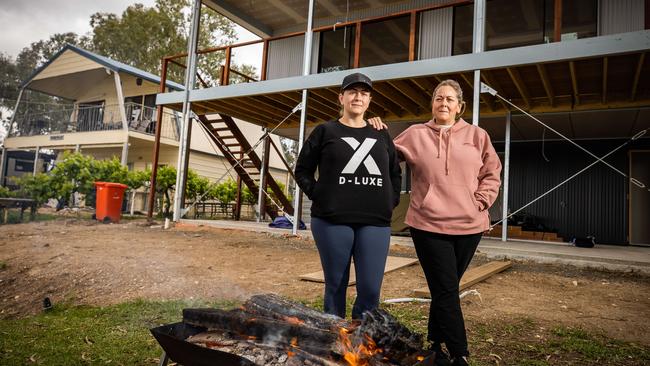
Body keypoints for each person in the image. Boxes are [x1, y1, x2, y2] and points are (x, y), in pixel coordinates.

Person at [369, 79, 502, 366]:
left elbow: (492, 172)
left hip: (470, 226)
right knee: (446, 288)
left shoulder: (478, 136)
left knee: (446, 287)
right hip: (428, 224)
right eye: (439, 98)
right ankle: (459, 353)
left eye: (450, 99)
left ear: (459, 106)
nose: (444, 103)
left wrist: (480, 201)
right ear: (432, 104)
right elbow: (386, 158)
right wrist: (377, 132)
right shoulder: (416, 134)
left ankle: (435, 344)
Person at [294, 72, 402, 319]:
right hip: (332, 221)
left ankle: (361, 343)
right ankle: (335, 340)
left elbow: (395, 172)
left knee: (371, 289)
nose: (358, 97)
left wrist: (390, 200)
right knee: (336, 286)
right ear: (341, 98)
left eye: (364, 93)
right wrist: (319, 194)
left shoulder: (381, 133)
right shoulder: (325, 131)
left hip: (375, 222)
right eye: (352, 92)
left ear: (369, 100)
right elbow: (302, 170)